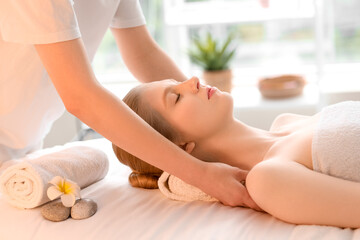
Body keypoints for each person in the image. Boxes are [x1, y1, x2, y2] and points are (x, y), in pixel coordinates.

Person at [0, 0, 259, 208]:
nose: (192, 81)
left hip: (24, 142)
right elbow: (80, 97)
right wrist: (202, 176)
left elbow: (143, 53)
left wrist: (234, 131)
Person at [112, 76, 360, 228]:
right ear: (179, 147)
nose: (193, 80)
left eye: (177, 83)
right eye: (176, 97)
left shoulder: (286, 121)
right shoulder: (268, 180)